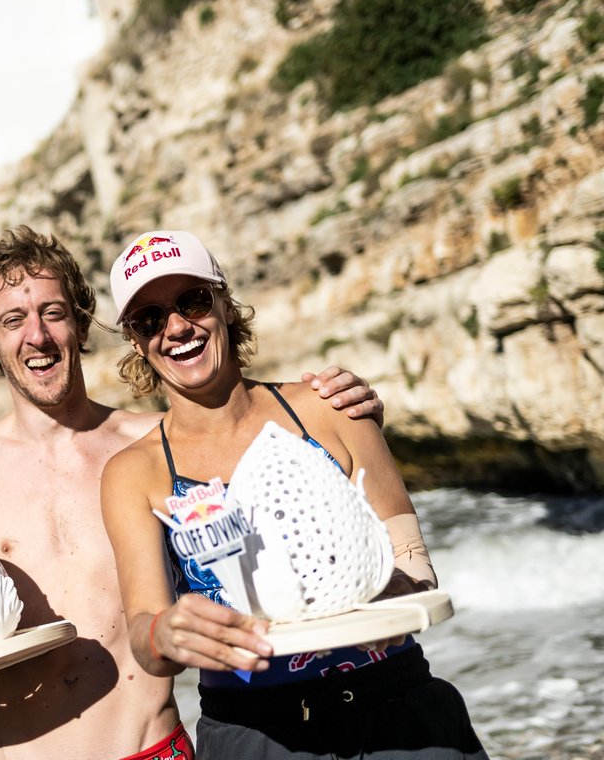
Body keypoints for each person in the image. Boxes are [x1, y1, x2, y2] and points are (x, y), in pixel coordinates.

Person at [0, 226, 384, 759]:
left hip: (151, 748)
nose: (37, 335)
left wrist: (355, 418)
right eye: (13, 321)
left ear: (79, 325)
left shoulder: (151, 450)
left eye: (53, 313)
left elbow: (281, 510)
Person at [101, 230, 487, 759]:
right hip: (257, 735)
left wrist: (393, 594)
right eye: (150, 319)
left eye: (192, 301)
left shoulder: (330, 407)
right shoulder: (135, 472)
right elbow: (148, 638)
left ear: (225, 305)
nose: (176, 327)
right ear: (136, 342)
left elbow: (415, 564)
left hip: (396, 707)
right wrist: (168, 634)